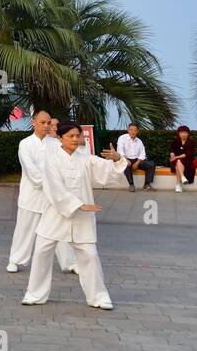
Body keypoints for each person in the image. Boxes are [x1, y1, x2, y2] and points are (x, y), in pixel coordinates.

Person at [21, 121, 128, 310]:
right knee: (41, 252)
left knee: (89, 255)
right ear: (60, 138)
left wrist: (117, 158)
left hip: (83, 219)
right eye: (70, 136)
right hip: (54, 215)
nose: (75, 139)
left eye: (77, 135)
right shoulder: (51, 160)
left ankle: (98, 297)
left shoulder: (86, 159)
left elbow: (109, 172)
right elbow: (53, 189)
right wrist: (79, 205)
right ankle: (34, 293)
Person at [6, 110, 77, 274]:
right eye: (42, 122)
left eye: (49, 123)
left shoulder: (55, 144)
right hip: (31, 197)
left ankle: (70, 262)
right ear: (34, 122)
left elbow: (64, 166)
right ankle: (15, 260)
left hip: (52, 198)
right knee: (24, 230)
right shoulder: (25, 144)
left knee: (60, 230)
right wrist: (53, 181)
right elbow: (33, 173)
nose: (46, 126)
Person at [116, 123, 152, 191]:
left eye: (135, 130)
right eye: (131, 130)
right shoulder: (122, 138)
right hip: (126, 159)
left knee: (151, 165)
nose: (133, 132)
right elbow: (120, 151)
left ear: (137, 131)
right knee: (126, 164)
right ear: (128, 130)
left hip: (136, 160)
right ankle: (131, 185)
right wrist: (126, 160)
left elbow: (142, 154)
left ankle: (146, 184)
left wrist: (137, 163)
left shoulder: (139, 141)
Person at [169, 126, 195, 192]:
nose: (183, 134)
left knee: (178, 163)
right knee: (178, 162)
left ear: (188, 134)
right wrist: (172, 154)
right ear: (179, 133)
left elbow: (187, 154)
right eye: (181, 132)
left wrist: (176, 157)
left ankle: (178, 184)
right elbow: (172, 150)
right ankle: (182, 177)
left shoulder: (191, 142)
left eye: (185, 133)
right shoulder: (176, 141)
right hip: (176, 160)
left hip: (187, 160)